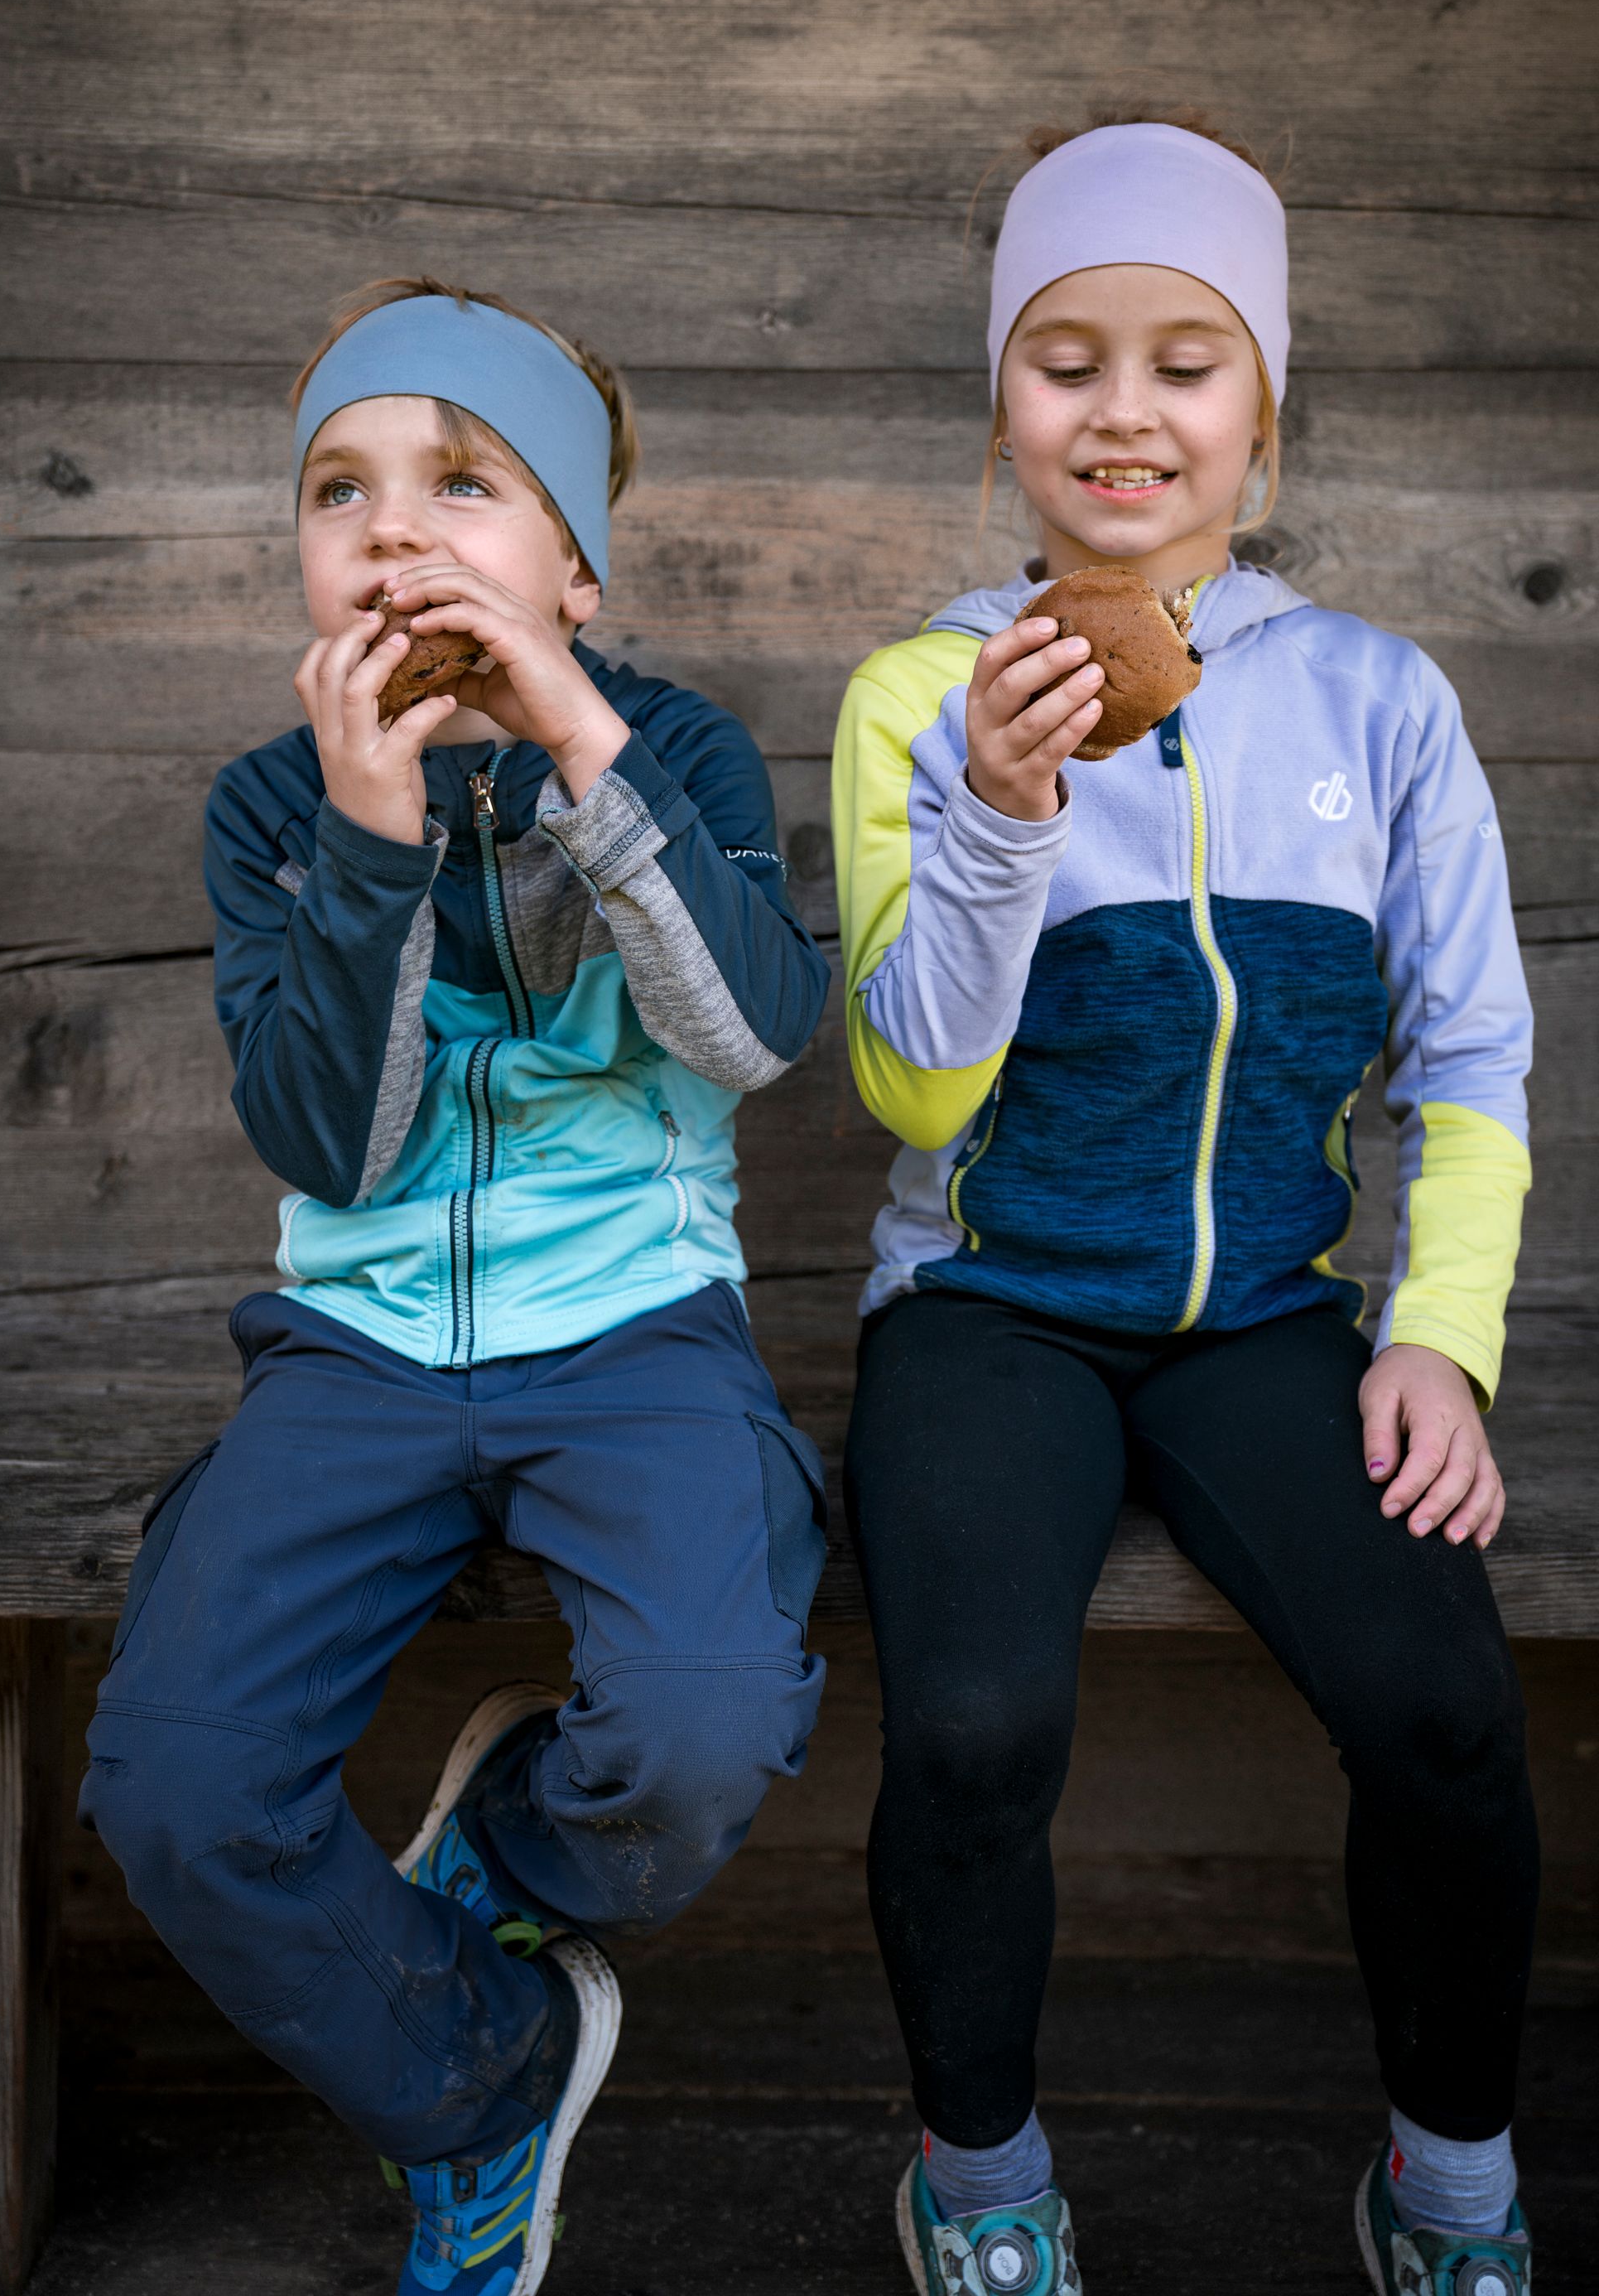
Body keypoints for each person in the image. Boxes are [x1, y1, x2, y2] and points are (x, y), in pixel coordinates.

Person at [832, 118, 1537, 2296]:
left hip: (1268, 1317)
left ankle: (1450, 2195)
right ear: (1002, 402)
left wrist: (1441, 1331)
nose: (1123, 411)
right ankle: (982, 2189)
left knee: (1443, 1709)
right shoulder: (918, 695)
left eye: (1183, 359)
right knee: (967, 1730)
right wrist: (997, 816)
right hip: (992, 1306)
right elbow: (908, 1077)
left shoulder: (1382, 704)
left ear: (1264, 402)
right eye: (1064, 358)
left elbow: (1475, 1063)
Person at [82, 277, 832, 2295]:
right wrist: (372, 837)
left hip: (637, 1333)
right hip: (361, 1350)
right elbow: (333, 1141)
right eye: (342, 489)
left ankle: (507, 1859)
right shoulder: (278, 806)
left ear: (572, 568)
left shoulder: (671, 749)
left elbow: (754, 1035)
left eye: (462, 482)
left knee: (692, 1727)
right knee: (173, 1784)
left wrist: (585, 756)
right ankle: (482, 2069)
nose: (393, 527)